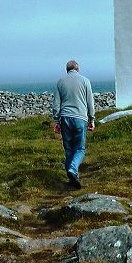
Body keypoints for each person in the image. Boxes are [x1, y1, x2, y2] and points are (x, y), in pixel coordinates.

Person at [51, 60, 95, 189]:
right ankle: (73, 169)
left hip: (65, 117)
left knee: (68, 149)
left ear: (67, 70)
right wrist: (92, 119)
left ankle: (71, 177)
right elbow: (90, 102)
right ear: (77, 69)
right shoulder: (85, 81)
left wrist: (56, 121)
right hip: (80, 117)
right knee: (80, 148)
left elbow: (56, 104)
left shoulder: (60, 82)